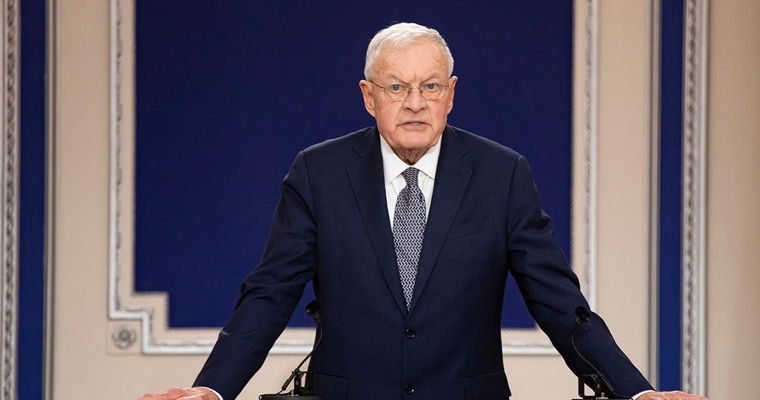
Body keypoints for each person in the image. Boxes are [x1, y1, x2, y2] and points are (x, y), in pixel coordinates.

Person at [140, 23, 708, 400]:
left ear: (451, 93)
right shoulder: (318, 172)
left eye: (430, 86)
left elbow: (560, 303)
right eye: (397, 88)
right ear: (368, 96)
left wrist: (636, 391)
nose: (415, 103)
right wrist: (212, 389)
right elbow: (269, 294)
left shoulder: (502, 174)